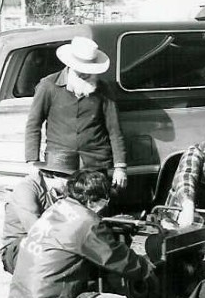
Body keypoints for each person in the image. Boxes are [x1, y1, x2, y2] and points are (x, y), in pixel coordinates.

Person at [7, 170, 158, 298]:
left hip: (20, 296)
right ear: (93, 200)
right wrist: (145, 268)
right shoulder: (87, 222)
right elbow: (116, 258)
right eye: (105, 199)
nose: (107, 203)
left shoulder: (58, 207)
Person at [25, 36, 128, 190]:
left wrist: (120, 167)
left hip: (95, 165)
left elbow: (115, 130)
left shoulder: (104, 90)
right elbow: (33, 124)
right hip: (59, 164)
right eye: (81, 70)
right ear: (70, 65)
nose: (85, 74)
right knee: (61, 210)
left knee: (94, 208)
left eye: (89, 71)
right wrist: (32, 162)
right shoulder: (48, 86)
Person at [0, 150, 79, 274]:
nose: (73, 185)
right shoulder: (26, 189)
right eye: (70, 179)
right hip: (18, 248)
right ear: (54, 176)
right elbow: (36, 231)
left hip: (48, 243)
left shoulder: (58, 190)